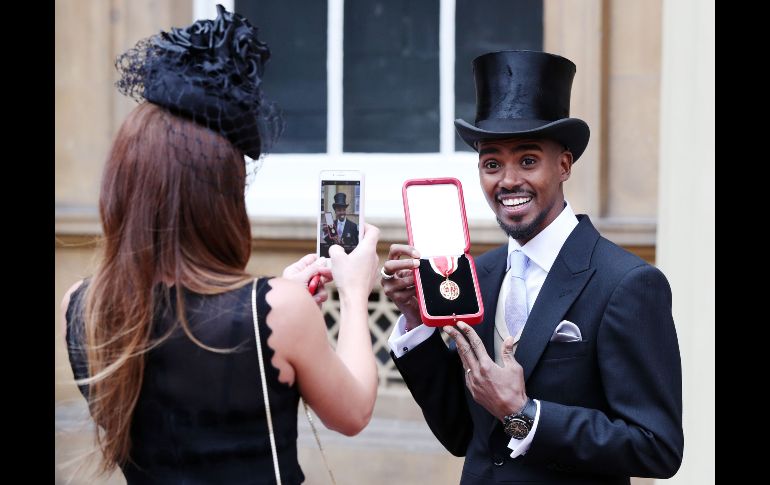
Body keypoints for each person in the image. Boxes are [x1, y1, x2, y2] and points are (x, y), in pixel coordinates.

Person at [60, 5, 380, 484]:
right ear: (219, 198)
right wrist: (354, 295)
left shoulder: (82, 306)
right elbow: (352, 412)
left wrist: (274, 300)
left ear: (123, 186)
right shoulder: (280, 310)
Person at [381, 50, 683, 484]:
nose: (507, 181)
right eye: (491, 163)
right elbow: (460, 433)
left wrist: (525, 415)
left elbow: (657, 447)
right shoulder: (476, 276)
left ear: (563, 165)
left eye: (527, 160)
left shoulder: (628, 284)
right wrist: (416, 319)